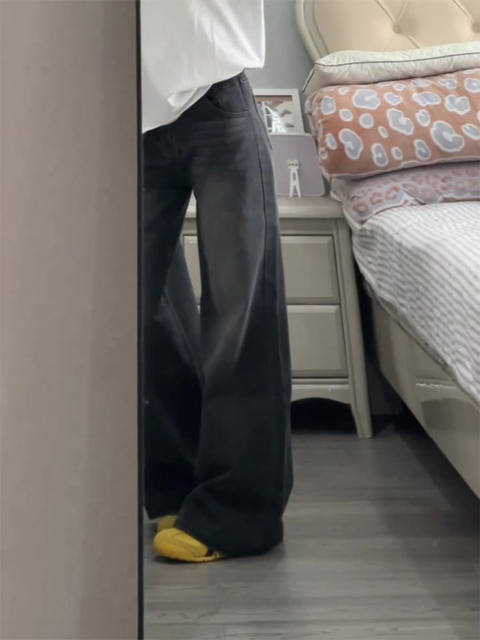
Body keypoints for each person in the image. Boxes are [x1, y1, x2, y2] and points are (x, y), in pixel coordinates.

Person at [141, 0, 293, 562]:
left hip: (216, 94)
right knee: (139, 310)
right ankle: (179, 487)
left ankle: (239, 513)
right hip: (130, 107)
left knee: (239, 309)